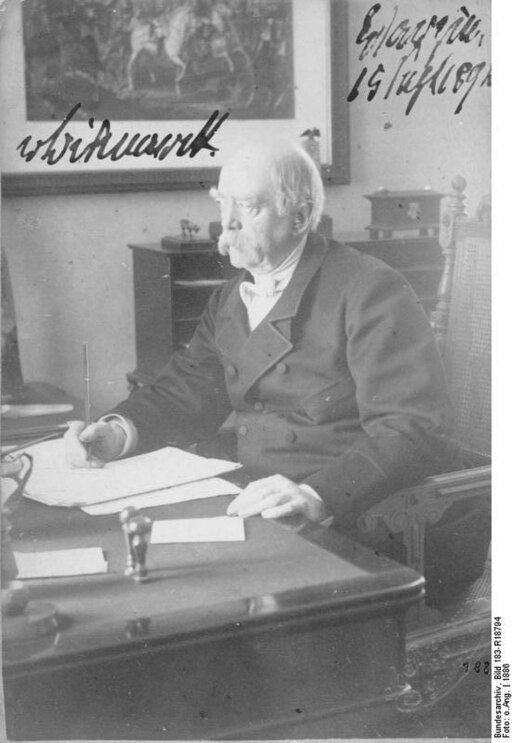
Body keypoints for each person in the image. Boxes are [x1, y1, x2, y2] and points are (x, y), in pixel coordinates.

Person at [65, 139, 488, 592]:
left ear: (300, 217)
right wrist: (117, 432)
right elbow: (185, 391)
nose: (225, 222)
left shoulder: (370, 290)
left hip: (364, 519)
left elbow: (413, 429)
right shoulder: (231, 298)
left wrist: (316, 495)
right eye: (222, 202)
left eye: (247, 207)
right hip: (261, 502)